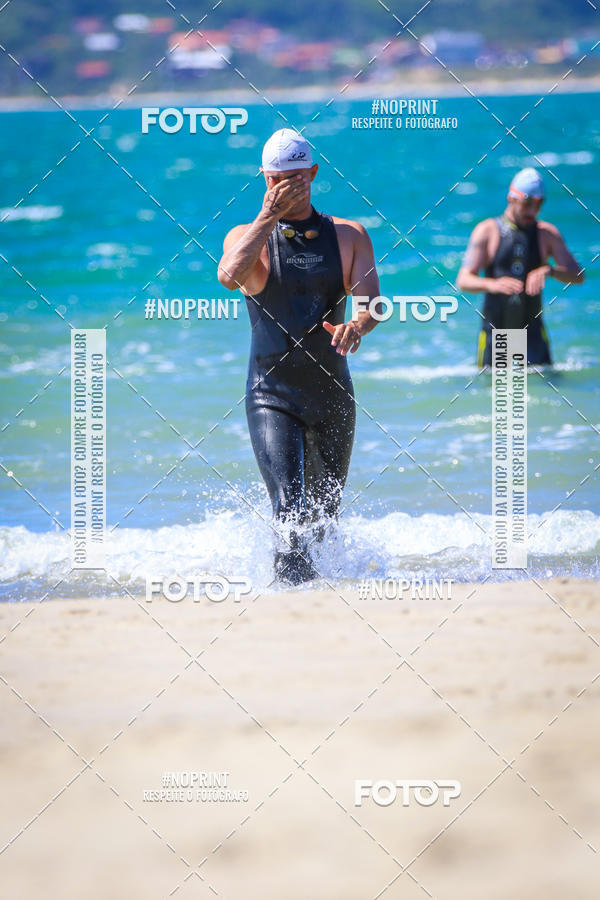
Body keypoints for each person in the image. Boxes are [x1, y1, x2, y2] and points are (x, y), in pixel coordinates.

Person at [217, 128, 380, 584]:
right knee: (290, 506)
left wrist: (358, 324)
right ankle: (288, 598)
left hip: (332, 393)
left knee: (326, 513)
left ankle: (324, 598)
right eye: (275, 181)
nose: (285, 188)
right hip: (272, 395)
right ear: (264, 179)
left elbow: (373, 302)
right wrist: (268, 216)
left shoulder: (349, 236)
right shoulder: (244, 237)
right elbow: (228, 276)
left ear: (313, 174)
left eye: (295, 179)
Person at [456, 167, 584, 366]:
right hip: (496, 335)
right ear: (511, 198)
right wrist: (493, 284)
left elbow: (578, 276)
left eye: (539, 204)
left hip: (533, 334)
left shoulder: (546, 233)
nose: (533, 211)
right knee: (493, 394)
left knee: (545, 392)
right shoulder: (487, 231)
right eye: (527, 204)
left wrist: (550, 270)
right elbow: (463, 280)